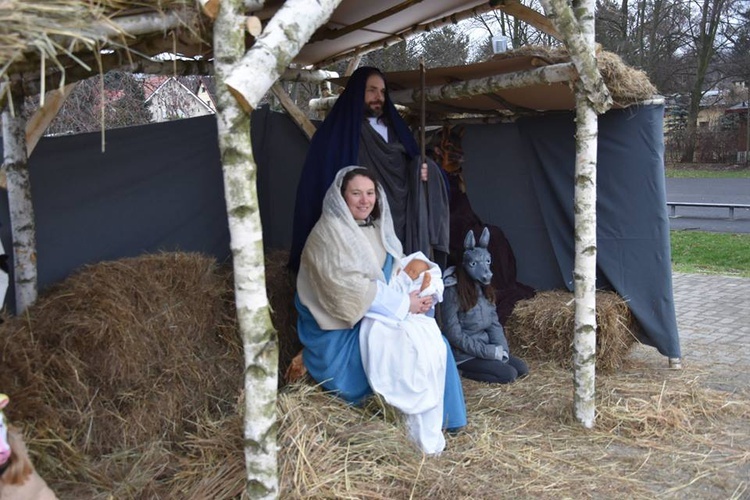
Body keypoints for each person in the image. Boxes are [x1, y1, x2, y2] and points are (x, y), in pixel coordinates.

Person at [295, 166, 466, 454]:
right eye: (356, 193)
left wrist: (419, 293)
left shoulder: (377, 228)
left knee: (433, 342)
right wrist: (404, 304)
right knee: (405, 350)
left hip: (380, 309)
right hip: (340, 325)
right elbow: (347, 291)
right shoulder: (327, 235)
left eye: (370, 193)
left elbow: (395, 268)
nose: (365, 200)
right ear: (341, 196)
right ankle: (409, 421)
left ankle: (445, 419)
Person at [289, 66, 449, 273]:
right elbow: (320, 180)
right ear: (357, 92)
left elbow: (413, 163)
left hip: (401, 219)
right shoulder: (336, 133)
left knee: (401, 272)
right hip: (360, 221)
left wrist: (423, 171)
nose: (378, 97)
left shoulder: (396, 129)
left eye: (382, 92)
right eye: (372, 90)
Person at [441, 228, 529, 384]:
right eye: (474, 264)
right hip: (464, 354)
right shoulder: (452, 292)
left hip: (485, 347)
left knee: (521, 369)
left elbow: (494, 323)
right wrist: (488, 352)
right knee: (508, 375)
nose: (485, 271)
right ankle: (463, 371)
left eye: (487, 262)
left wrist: (502, 349)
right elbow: (453, 334)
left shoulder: (484, 288)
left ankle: (489, 364)